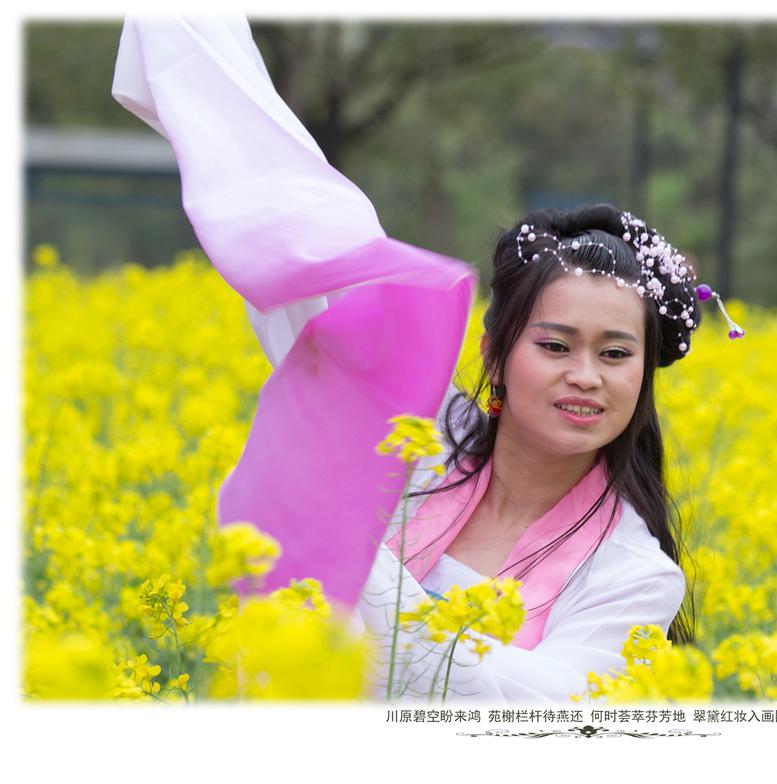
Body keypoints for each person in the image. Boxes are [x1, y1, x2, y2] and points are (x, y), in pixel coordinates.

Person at [112, 15, 744, 703]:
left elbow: (534, 708)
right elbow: (306, 239)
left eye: (615, 353)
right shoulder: (419, 440)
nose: (585, 376)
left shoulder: (634, 576)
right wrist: (193, 36)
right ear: (496, 355)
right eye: (554, 345)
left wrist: (350, 552)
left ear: (643, 375)